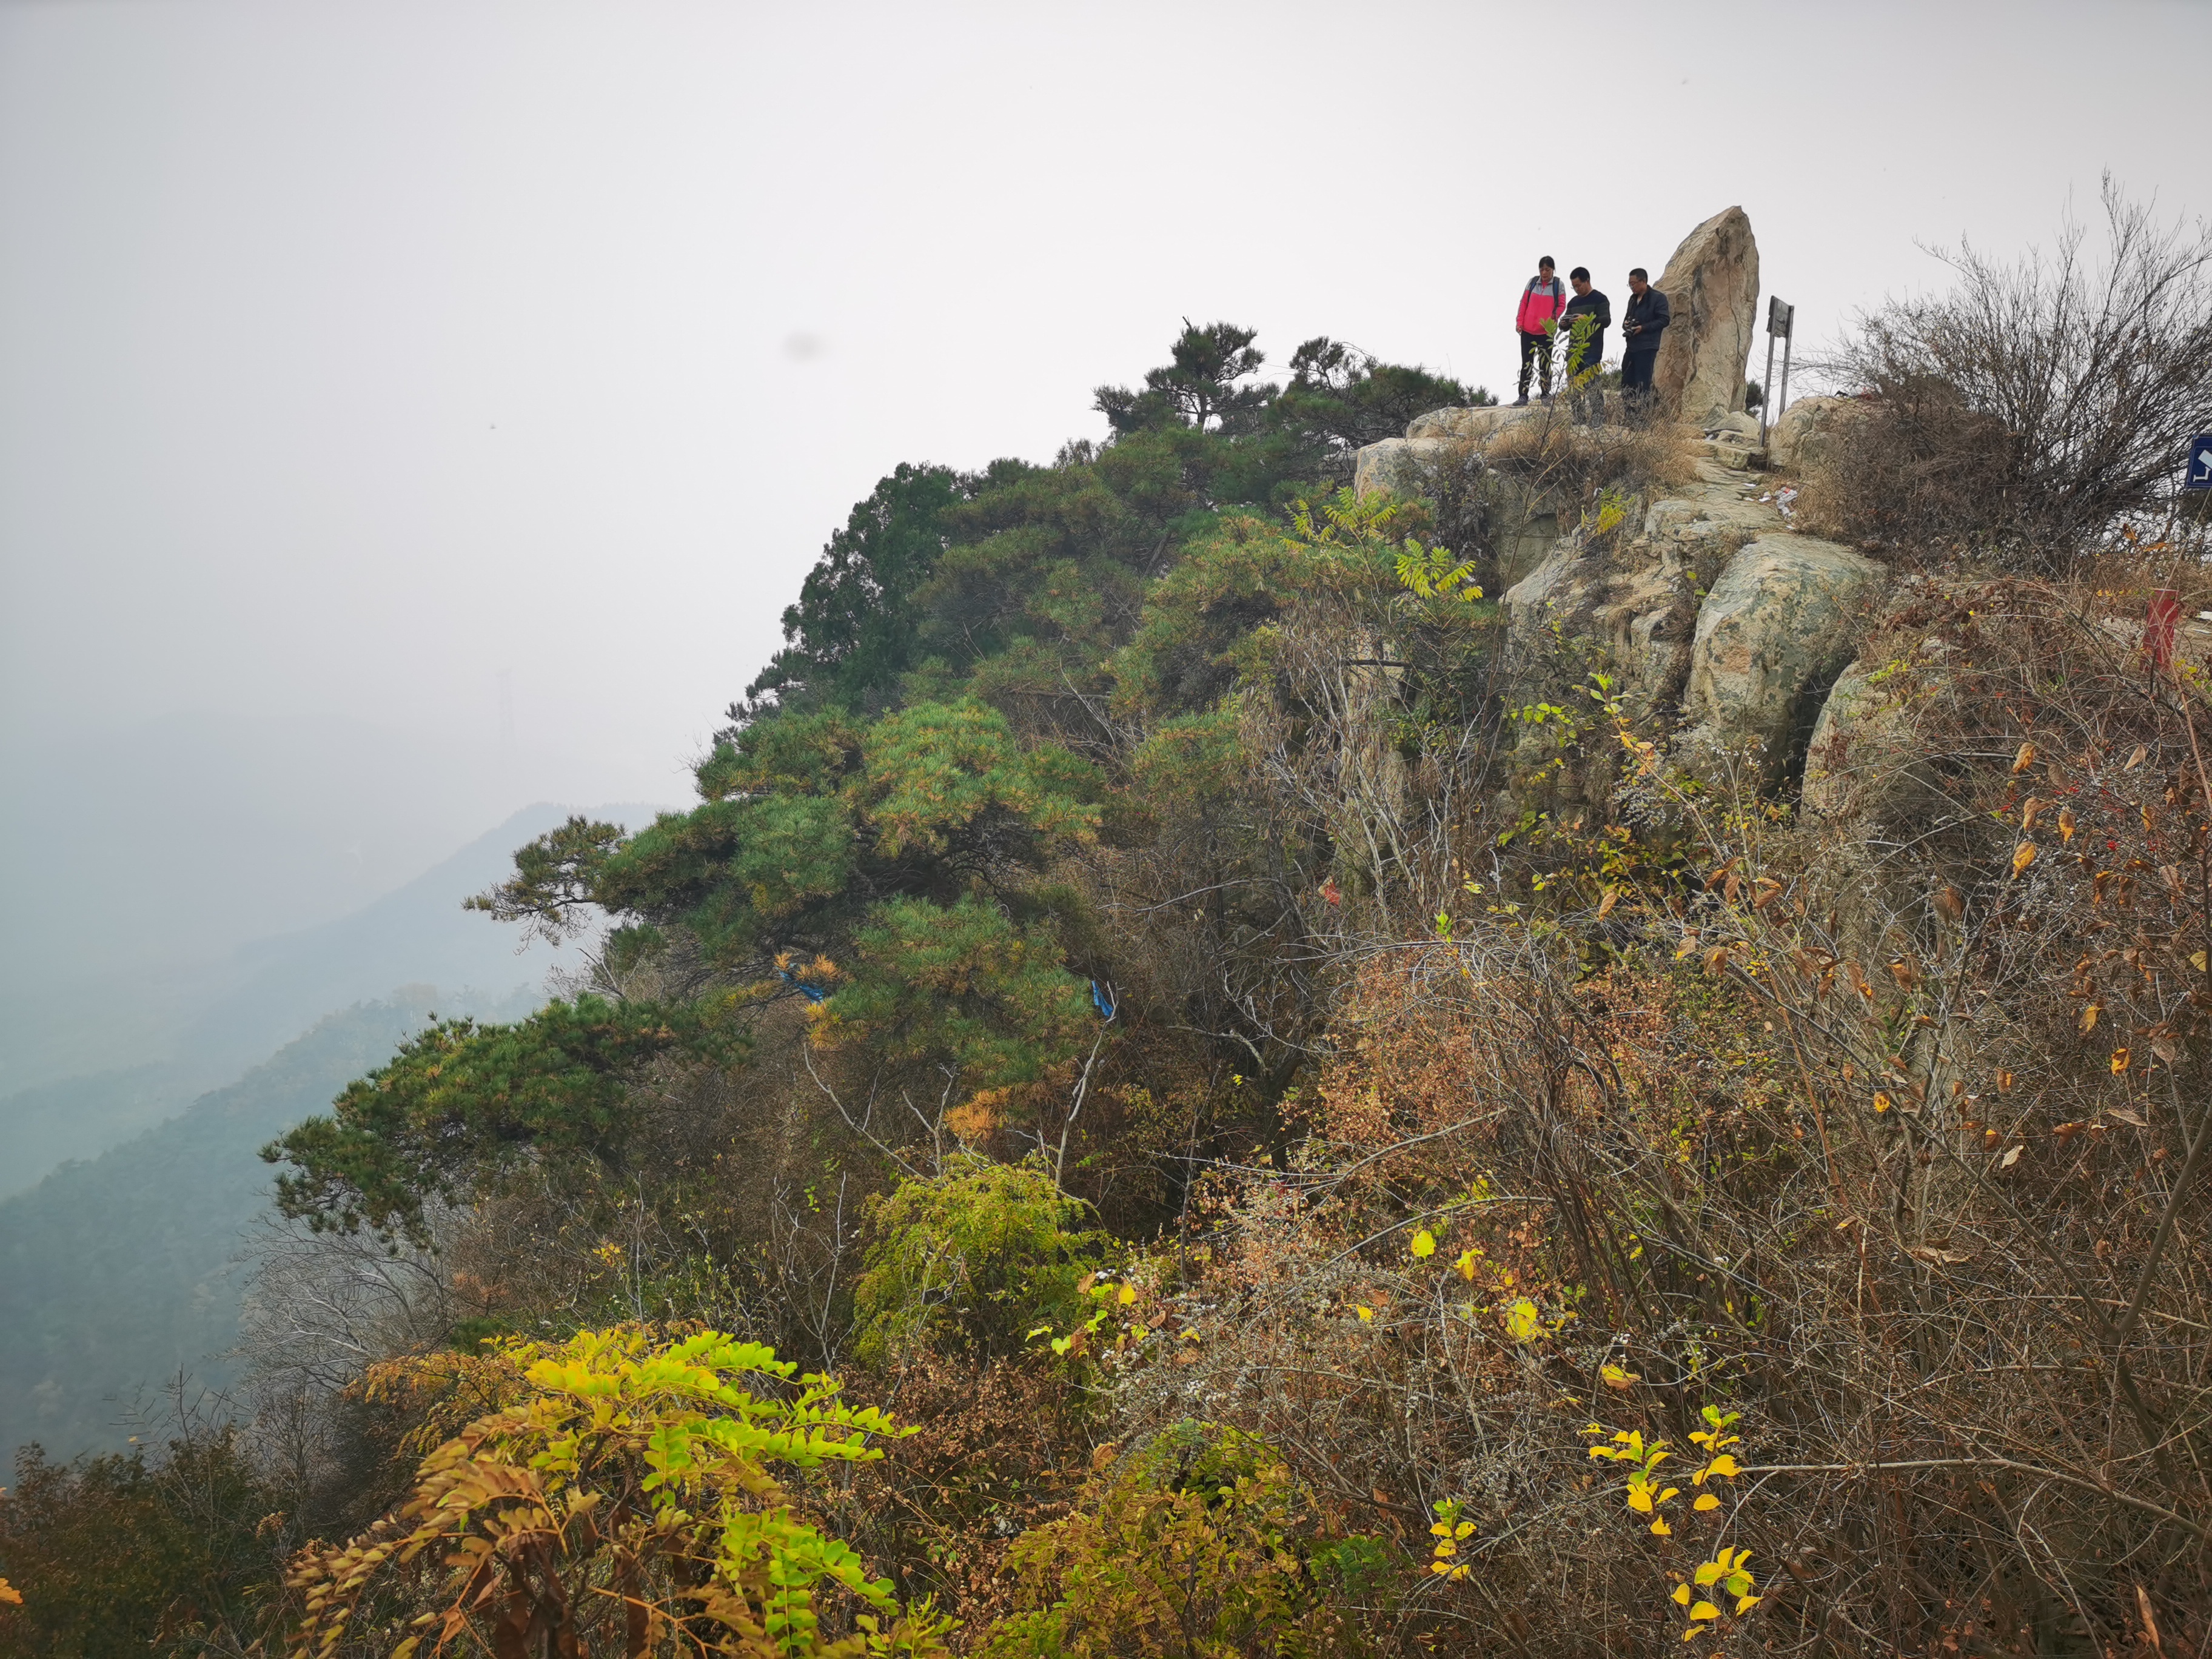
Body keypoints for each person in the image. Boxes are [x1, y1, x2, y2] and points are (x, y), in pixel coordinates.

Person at [1560, 266, 1610, 423]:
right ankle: (1579, 417)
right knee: (1573, 385)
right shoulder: (1573, 302)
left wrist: (1586, 319)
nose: (1576, 289)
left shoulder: (1600, 299)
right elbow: (1563, 327)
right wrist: (1564, 323)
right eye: (1573, 286)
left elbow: (1606, 321)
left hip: (1592, 349)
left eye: (1578, 285)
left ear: (1587, 281)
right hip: (1574, 350)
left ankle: (1598, 416)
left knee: (1591, 383)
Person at [1514, 256, 1567, 406]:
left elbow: (1562, 305)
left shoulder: (1558, 285)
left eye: (1548, 270)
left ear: (1553, 270)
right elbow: (1523, 302)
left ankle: (1545, 394)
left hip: (1546, 332)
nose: (1544, 273)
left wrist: (1553, 319)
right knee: (1527, 363)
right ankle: (1523, 396)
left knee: (1545, 364)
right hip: (1528, 330)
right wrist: (1519, 322)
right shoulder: (1532, 283)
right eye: (1542, 269)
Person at [1620, 267, 1671, 418]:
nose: (1631, 287)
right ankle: (1629, 417)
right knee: (1626, 382)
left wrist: (1644, 328)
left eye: (1634, 283)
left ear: (1643, 281)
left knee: (1642, 384)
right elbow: (1627, 319)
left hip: (1648, 346)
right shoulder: (1632, 299)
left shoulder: (1658, 298)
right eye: (1629, 284)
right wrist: (1627, 325)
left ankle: (1642, 420)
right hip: (1631, 346)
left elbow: (1664, 320)